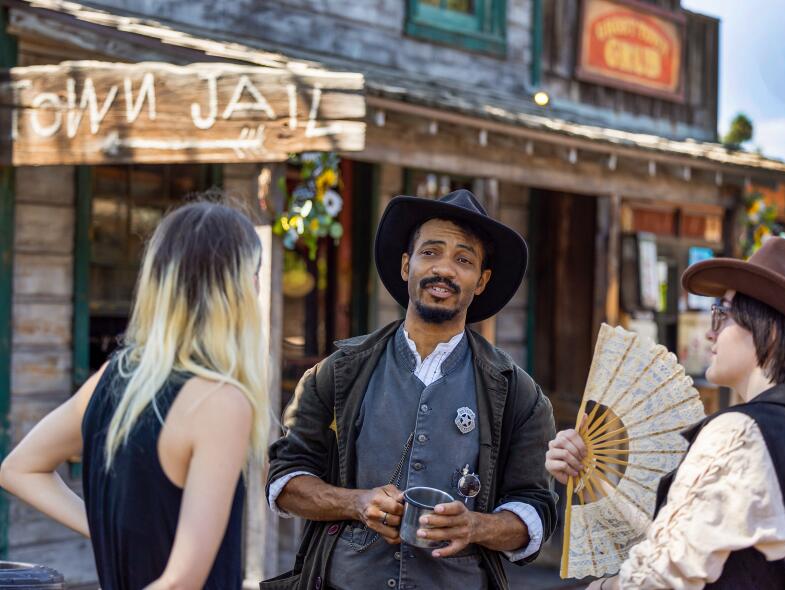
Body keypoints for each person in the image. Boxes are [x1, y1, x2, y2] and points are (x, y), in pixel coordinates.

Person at [264, 189, 558, 590]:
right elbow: (285, 478)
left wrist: (475, 526)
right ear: (407, 265)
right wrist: (356, 503)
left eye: (464, 260)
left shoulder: (518, 394)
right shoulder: (337, 374)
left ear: (482, 280)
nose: (445, 270)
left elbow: (535, 510)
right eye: (430, 252)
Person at [0, 200, 269, 589]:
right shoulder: (221, 403)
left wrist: (110, 532)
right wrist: (111, 531)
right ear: (236, 286)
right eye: (255, 273)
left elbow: (18, 468)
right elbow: (182, 581)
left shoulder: (112, 377)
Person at [546, 237, 785, 589]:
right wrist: (597, 476)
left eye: (723, 314)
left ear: (769, 332)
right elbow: (700, 546)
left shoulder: (738, 433)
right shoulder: (783, 429)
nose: (710, 332)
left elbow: (658, 577)